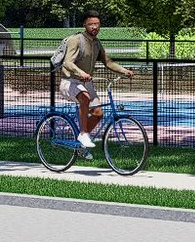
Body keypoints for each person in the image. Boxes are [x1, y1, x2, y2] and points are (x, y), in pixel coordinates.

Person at [54, 15, 136, 150]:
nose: (94, 27)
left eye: (97, 24)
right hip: (70, 81)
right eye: (91, 24)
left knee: (98, 113)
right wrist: (81, 73)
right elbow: (68, 62)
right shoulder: (76, 40)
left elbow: (108, 62)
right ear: (84, 25)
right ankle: (83, 134)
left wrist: (124, 71)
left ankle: (81, 143)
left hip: (86, 83)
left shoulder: (96, 43)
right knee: (85, 97)